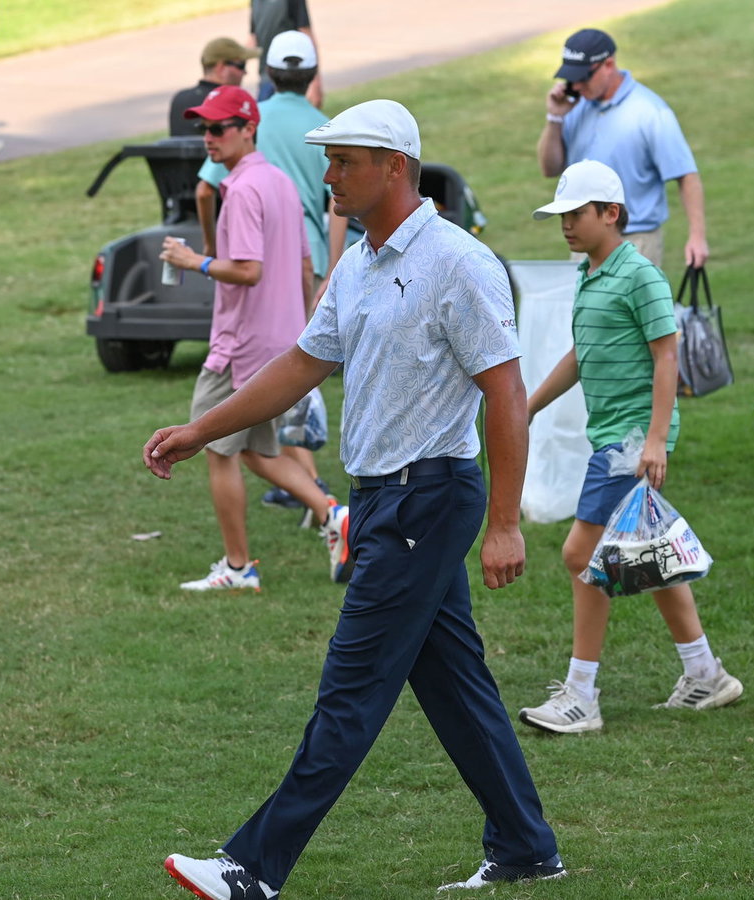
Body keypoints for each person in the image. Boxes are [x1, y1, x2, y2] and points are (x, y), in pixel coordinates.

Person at [150, 98, 565, 899]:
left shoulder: (459, 262)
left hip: (427, 501)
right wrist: (201, 429)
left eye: (345, 162)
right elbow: (301, 365)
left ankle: (252, 868)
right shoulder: (359, 262)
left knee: (350, 690)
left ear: (395, 167)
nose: (330, 177)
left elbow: (506, 394)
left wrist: (506, 522)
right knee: (455, 686)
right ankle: (524, 847)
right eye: (329, 162)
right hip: (383, 503)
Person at [517, 160, 742, 735]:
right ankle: (705, 673)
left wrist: (656, 440)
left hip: (630, 441)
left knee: (581, 555)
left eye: (576, 214)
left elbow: (667, 354)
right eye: (561, 216)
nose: (566, 224)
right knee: (646, 552)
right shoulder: (589, 275)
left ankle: (581, 695)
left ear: (610, 213)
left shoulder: (639, 275)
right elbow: (580, 354)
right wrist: (530, 405)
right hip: (618, 437)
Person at [155, 85, 346, 592]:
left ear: (248, 129)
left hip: (239, 345)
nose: (209, 138)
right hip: (279, 342)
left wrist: (193, 260)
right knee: (257, 450)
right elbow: (303, 263)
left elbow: (246, 270)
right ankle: (333, 513)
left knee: (215, 447)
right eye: (204, 129)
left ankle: (239, 568)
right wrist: (300, 325)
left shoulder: (240, 190)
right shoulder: (279, 180)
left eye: (219, 128)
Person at [197, 30, 347, 516]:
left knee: (249, 411)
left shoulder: (248, 135)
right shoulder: (325, 128)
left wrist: (205, 252)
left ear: (268, 73)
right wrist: (334, 268)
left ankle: (309, 505)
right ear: (312, 75)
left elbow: (206, 189)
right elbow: (337, 203)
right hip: (305, 261)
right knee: (288, 383)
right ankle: (319, 501)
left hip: (255, 269)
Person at [537, 28, 705, 269]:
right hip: (585, 245)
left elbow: (686, 175)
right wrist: (555, 118)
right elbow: (549, 168)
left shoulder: (650, 111)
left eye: (583, 77)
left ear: (608, 64)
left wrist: (697, 237)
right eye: (571, 78)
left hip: (634, 243)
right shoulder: (574, 107)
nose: (577, 85)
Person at [170, 36, 252, 138]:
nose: (245, 72)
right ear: (221, 67)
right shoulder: (233, 102)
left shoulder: (180, 98)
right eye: (241, 65)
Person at [248, 0, 321, 107]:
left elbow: (306, 35)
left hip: (292, 79)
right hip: (266, 77)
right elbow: (254, 38)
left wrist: (315, 83)